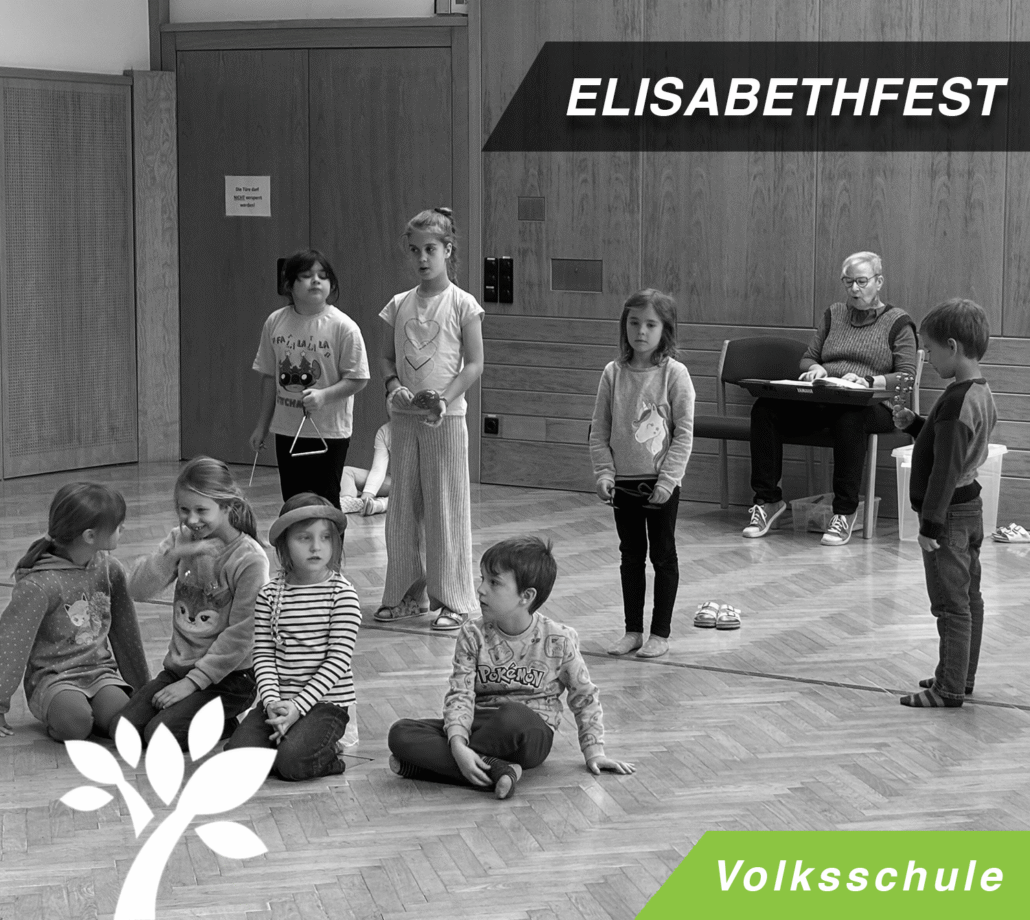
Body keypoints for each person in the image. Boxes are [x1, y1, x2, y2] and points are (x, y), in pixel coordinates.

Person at [387, 536, 635, 799]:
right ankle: (498, 770)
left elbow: (584, 697)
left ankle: (446, 764)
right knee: (401, 732)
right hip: (480, 724)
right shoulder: (472, 633)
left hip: (528, 733)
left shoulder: (559, 639)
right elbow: (460, 693)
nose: (481, 589)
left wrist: (594, 752)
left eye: (494, 582)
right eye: (482, 579)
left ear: (526, 596)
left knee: (512, 714)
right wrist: (458, 743)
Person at [744, 251, 918, 546]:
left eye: (861, 282)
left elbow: (906, 377)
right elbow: (808, 357)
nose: (854, 289)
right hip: (827, 396)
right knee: (765, 408)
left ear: (878, 282)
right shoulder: (833, 314)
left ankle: (845, 512)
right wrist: (815, 369)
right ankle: (768, 501)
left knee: (849, 417)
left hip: (874, 404)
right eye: (848, 282)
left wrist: (867, 381)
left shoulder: (898, 322)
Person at [374, 207, 484, 630]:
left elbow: (474, 364)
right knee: (402, 509)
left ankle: (454, 600)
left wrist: (444, 398)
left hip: (446, 421)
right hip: (404, 420)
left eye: (431, 249)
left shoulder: (463, 304)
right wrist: (392, 385)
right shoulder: (398, 304)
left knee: (445, 508)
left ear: (448, 250)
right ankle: (407, 595)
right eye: (415, 250)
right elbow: (386, 358)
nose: (422, 258)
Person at [117, 457, 269, 747]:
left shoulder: (249, 559)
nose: (191, 519)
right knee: (123, 728)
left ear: (227, 506)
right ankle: (201, 715)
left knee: (158, 735)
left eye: (201, 510)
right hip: (180, 669)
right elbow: (136, 589)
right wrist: (175, 555)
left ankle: (224, 721)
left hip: (231, 678)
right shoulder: (182, 540)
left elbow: (242, 635)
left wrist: (191, 683)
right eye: (184, 509)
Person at [893, 299, 996, 708]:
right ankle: (959, 675)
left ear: (952, 346)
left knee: (951, 606)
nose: (927, 358)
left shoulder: (956, 401)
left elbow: (945, 469)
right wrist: (916, 425)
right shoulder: (979, 392)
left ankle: (948, 689)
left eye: (930, 350)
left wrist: (929, 525)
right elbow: (952, 445)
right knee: (969, 598)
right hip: (969, 509)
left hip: (948, 516)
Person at [589, 288, 695, 659]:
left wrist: (668, 480)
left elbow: (684, 433)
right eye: (634, 323)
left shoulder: (674, 374)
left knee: (663, 556)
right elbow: (600, 431)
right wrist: (604, 473)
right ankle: (632, 630)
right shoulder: (613, 373)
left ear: (665, 330)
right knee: (631, 556)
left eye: (650, 324)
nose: (641, 331)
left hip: (661, 484)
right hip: (624, 484)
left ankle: (660, 634)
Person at [0, 484, 149, 742]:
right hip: (53, 679)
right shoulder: (39, 584)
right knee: (76, 724)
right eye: (117, 526)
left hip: (99, 673)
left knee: (123, 720)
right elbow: (11, 645)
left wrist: (143, 688)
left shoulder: (110, 570)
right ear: (90, 536)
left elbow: (127, 634)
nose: (122, 529)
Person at [225, 493, 359, 778]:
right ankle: (290, 745)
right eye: (304, 538)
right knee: (235, 758)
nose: (316, 546)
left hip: (324, 704)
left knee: (292, 763)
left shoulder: (342, 595)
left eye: (325, 538)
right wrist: (272, 702)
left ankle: (328, 756)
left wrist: (298, 707)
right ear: (285, 543)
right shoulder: (270, 594)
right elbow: (263, 655)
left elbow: (337, 661)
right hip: (278, 701)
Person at [250, 249, 370, 510]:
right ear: (289, 285)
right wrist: (262, 426)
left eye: (322, 276)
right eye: (306, 275)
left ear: (331, 284)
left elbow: (358, 379)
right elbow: (269, 377)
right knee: (293, 501)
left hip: (329, 431)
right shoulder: (275, 322)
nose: (316, 280)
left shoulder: (343, 327)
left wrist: (324, 396)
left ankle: (331, 538)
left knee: (326, 502)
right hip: (287, 429)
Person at [339, 402, 392, 515]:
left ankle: (380, 505)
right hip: (395, 481)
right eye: (390, 401)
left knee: (417, 494)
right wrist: (366, 497)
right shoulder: (385, 431)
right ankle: (348, 502)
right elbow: (378, 469)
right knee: (347, 472)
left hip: (420, 485)